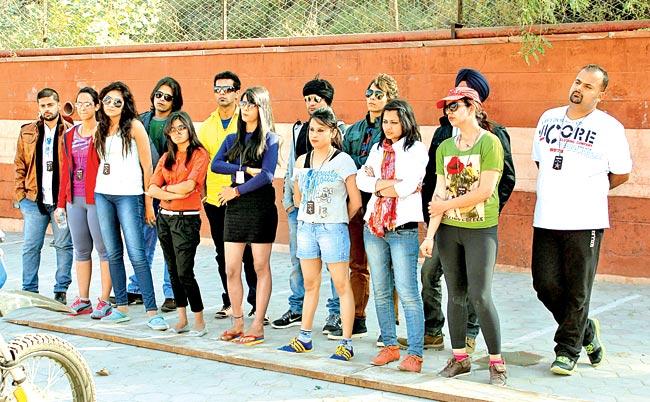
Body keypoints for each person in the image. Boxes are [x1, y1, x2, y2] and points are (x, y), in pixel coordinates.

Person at [400, 68, 516, 353]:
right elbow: (435, 177)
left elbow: (506, 179)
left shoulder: (494, 134)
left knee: (474, 288)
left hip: (477, 224)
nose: (452, 105)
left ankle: (471, 334)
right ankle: (434, 330)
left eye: (459, 98)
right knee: (429, 273)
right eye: (450, 99)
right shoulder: (443, 133)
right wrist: (433, 220)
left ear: (475, 102)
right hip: (444, 221)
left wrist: (484, 209)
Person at [531, 64, 631, 375]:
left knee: (578, 288)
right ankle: (587, 331)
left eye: (588, 86)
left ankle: (568, 349)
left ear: (601, 94)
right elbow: (540, 161)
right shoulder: (548, 118)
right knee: (544, 284)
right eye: (577, 82)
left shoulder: (610, 128)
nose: (579, 88)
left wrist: (590, 192)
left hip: (585, 218)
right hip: (547, 216)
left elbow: (622, 173)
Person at [420, 86, 507, 386]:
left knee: (480, 296)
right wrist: (430, 235)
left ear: (473, 107)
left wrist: (445, 204)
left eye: (455, 106)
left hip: (480, 230)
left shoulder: (490, 143)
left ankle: (497, 362)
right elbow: (439, 191)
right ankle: (459, 358)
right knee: (456, 295)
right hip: (448, 231)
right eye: (447, 107)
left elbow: (486, 190)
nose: (449, 112)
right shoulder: (445, 147)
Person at [277, 107, 361, 361]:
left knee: (341, 283)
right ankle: (304, 337)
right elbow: (299, 195)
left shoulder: (343, 160)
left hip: (333, 228)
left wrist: (337, 219)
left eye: (321, 130)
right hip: (306, 227)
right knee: (311, 283)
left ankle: (346, 342)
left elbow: (355, 201)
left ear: (333, 131)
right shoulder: (302, 160)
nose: (314, 134)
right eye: (312, 129)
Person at [357, 99, 428, 373]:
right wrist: (386, 185)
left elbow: (410, 186)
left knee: (408, 291)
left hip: (402, 228)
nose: (388, 127)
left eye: (394, 122)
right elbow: (362, 180)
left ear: (406, 122)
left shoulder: (416, 150)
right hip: (374, 226)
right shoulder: (377, 148)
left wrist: (379, 186)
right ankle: (389, 345)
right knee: (381, 289)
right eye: (385, 122)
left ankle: (415, 354)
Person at [330, 73, 400, 342]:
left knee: (387, 266)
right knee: (357, 264)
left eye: (378, 94)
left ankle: (388, 327)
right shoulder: (355, 130)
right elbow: (345, 164)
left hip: (385, 205)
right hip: (357, 204)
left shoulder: (395, 130)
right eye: (369, 93)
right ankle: (357, 318)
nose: (372, 98)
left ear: (389, 98)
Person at [93, 81, 168, 330]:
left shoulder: (134, 126)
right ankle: (121, 307)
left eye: (117, 101)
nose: (112, 105)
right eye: (107, 100)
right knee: (113, 252)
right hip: (103, 194)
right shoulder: (100, 128)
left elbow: (148, 167)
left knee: (136, 254)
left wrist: (148, 203)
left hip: (130, 196)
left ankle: (152, 311)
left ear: (125, 104)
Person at [273, 77, 343, 334]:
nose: (311, 103)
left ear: (327, 100)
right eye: (307, 99)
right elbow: (293, 166)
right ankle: (297, 306)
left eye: (316, 99)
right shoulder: (299, 129)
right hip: (300, 208)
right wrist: (288, 200)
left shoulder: (338, 129)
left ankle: (335, 313)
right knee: (298, 259)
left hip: (328, 210)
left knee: (333, 263)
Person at [212, 87, 279, 345]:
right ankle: (238, 322)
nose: (246, 108)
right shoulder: (232, 139)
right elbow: (216, 164)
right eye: (243, 103)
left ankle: (258, 323)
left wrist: (237, 191)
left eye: (251, 104)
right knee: (231, 268)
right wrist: (244, 168)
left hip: (259, 206)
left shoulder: (270, 139)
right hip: (235, 209)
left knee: (260, 266)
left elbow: (267, 176)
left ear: (262, 108)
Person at [197, 71, 259, 322]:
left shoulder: (244, 121)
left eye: (227, 89)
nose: (221, 93)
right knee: (223, 254)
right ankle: (230, 302)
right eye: (217, 89)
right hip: (214, 199)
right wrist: (202, 193)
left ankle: (255, 303)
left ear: (237, 93)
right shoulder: (208, 124)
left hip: (240, 196)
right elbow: (201, 160)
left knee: (247, 254)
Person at [147, 111, 209, 337]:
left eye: (181, 128)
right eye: (172, 129)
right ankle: (182, 319)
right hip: (165, 218)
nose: (177, 133)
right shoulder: (166, 157)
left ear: (189, 129)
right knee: (172, 270)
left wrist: (166, 191)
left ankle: (199, 320)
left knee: (185, 272)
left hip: (186, 219)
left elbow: (190, 186)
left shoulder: (199, 154)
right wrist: (171, 191)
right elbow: (151, 188)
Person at [126, 77, 184, 312]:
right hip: (145, 189)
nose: (161, 100)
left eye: (167, 97)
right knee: (143, 241)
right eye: (158, 95)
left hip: (169, 189)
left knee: (170, 244)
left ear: (175, 100)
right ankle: (137, 288)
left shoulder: (179, 123)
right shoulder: (142, 121)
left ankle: (171, 293)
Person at [54, 87, 112, 318]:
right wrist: (61, 203)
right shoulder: (69, 135)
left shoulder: (105, 133)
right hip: (74, 199)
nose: (83, 107)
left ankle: (105, 300)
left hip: (97, 198)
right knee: (81, 249)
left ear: (97, 106)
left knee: (103, 249)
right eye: (79, 103)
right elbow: (64, 170)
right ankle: (84, 298)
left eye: (88, 103)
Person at [14, 88, 73, 303]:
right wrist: (20, 196)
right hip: (33, 200)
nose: (46, 109)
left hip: (61, 202)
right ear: (38, 107)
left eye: (50, 105)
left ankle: (61, 290)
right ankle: (29, 289)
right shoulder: (28, 131)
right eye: (42, 105)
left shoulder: (70, 131)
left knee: (64, 245)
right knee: (31, 246)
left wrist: (68, 199)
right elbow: (19, 163)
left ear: (58, 105)